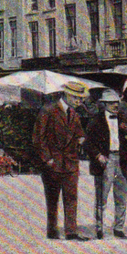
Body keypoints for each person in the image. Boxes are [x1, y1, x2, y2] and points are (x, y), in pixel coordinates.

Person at [33, 81, 90, 241]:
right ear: (67, 95)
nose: (79, 102)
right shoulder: (48, 110)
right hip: (53, 164)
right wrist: (47, 159)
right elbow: (38, 138)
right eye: (77, 98)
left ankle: (71, 232)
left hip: (71, 163)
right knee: (52, 198)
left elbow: (80, 132)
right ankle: (52, 231)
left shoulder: (75, 114)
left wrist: (81, 138)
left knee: (71, 197)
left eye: (81, 99)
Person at [85, 90, 127, 239]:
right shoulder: (96, 120)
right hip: (105, 161)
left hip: (122, 161)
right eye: (111, 103)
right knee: (102, 196)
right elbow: (88, 143)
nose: (115, 105)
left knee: (121, 196)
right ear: (104, 104)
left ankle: (118, 228)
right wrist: (98, 155)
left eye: (116, 102)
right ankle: (99, 228)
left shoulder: (124, 119)